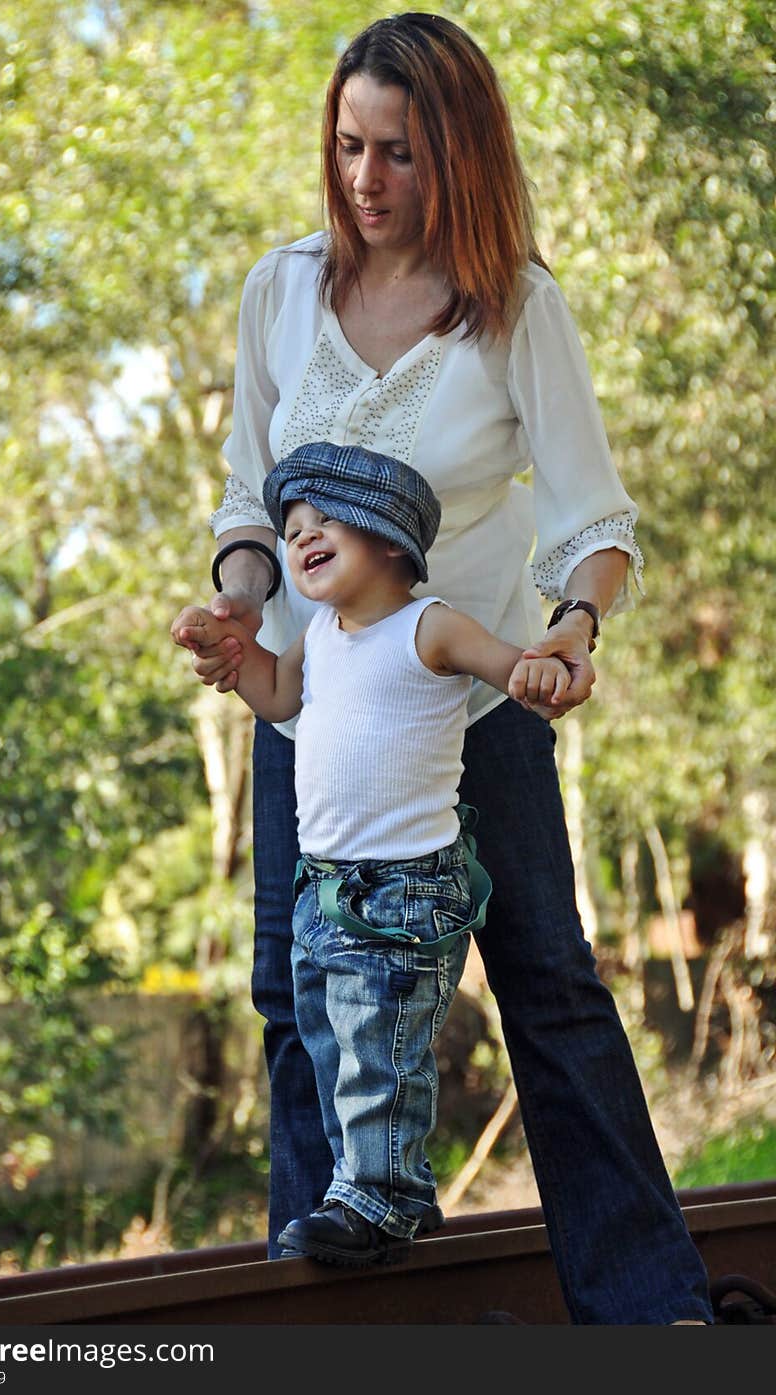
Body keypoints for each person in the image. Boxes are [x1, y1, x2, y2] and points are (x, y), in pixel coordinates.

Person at [171, 12, 713, 1321]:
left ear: (457, 155)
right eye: (350, 146)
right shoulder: (279, 290)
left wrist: (573, 634)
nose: (366, 179)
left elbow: (594, 522)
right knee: (296, 995)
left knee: (551, 990)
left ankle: (650, 1310)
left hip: (475, 704)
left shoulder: (515, 306)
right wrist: (238, 608)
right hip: (311, 719)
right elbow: (250, 500)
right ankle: (327, 1317)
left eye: (399, 154)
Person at [178, 440, 572, 1266]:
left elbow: (510, 668)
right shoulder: (318, 637)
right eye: (291, 528)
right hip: (321, 888)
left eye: (325, 521)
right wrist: (231, 656)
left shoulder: (428, 627)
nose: (302, 536)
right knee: (331, 1040)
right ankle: (390, 1188)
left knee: (377, 1045)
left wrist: (540, 673)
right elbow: (277, 697)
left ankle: (377, 1194)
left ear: (390, 537)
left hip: (403, 890)